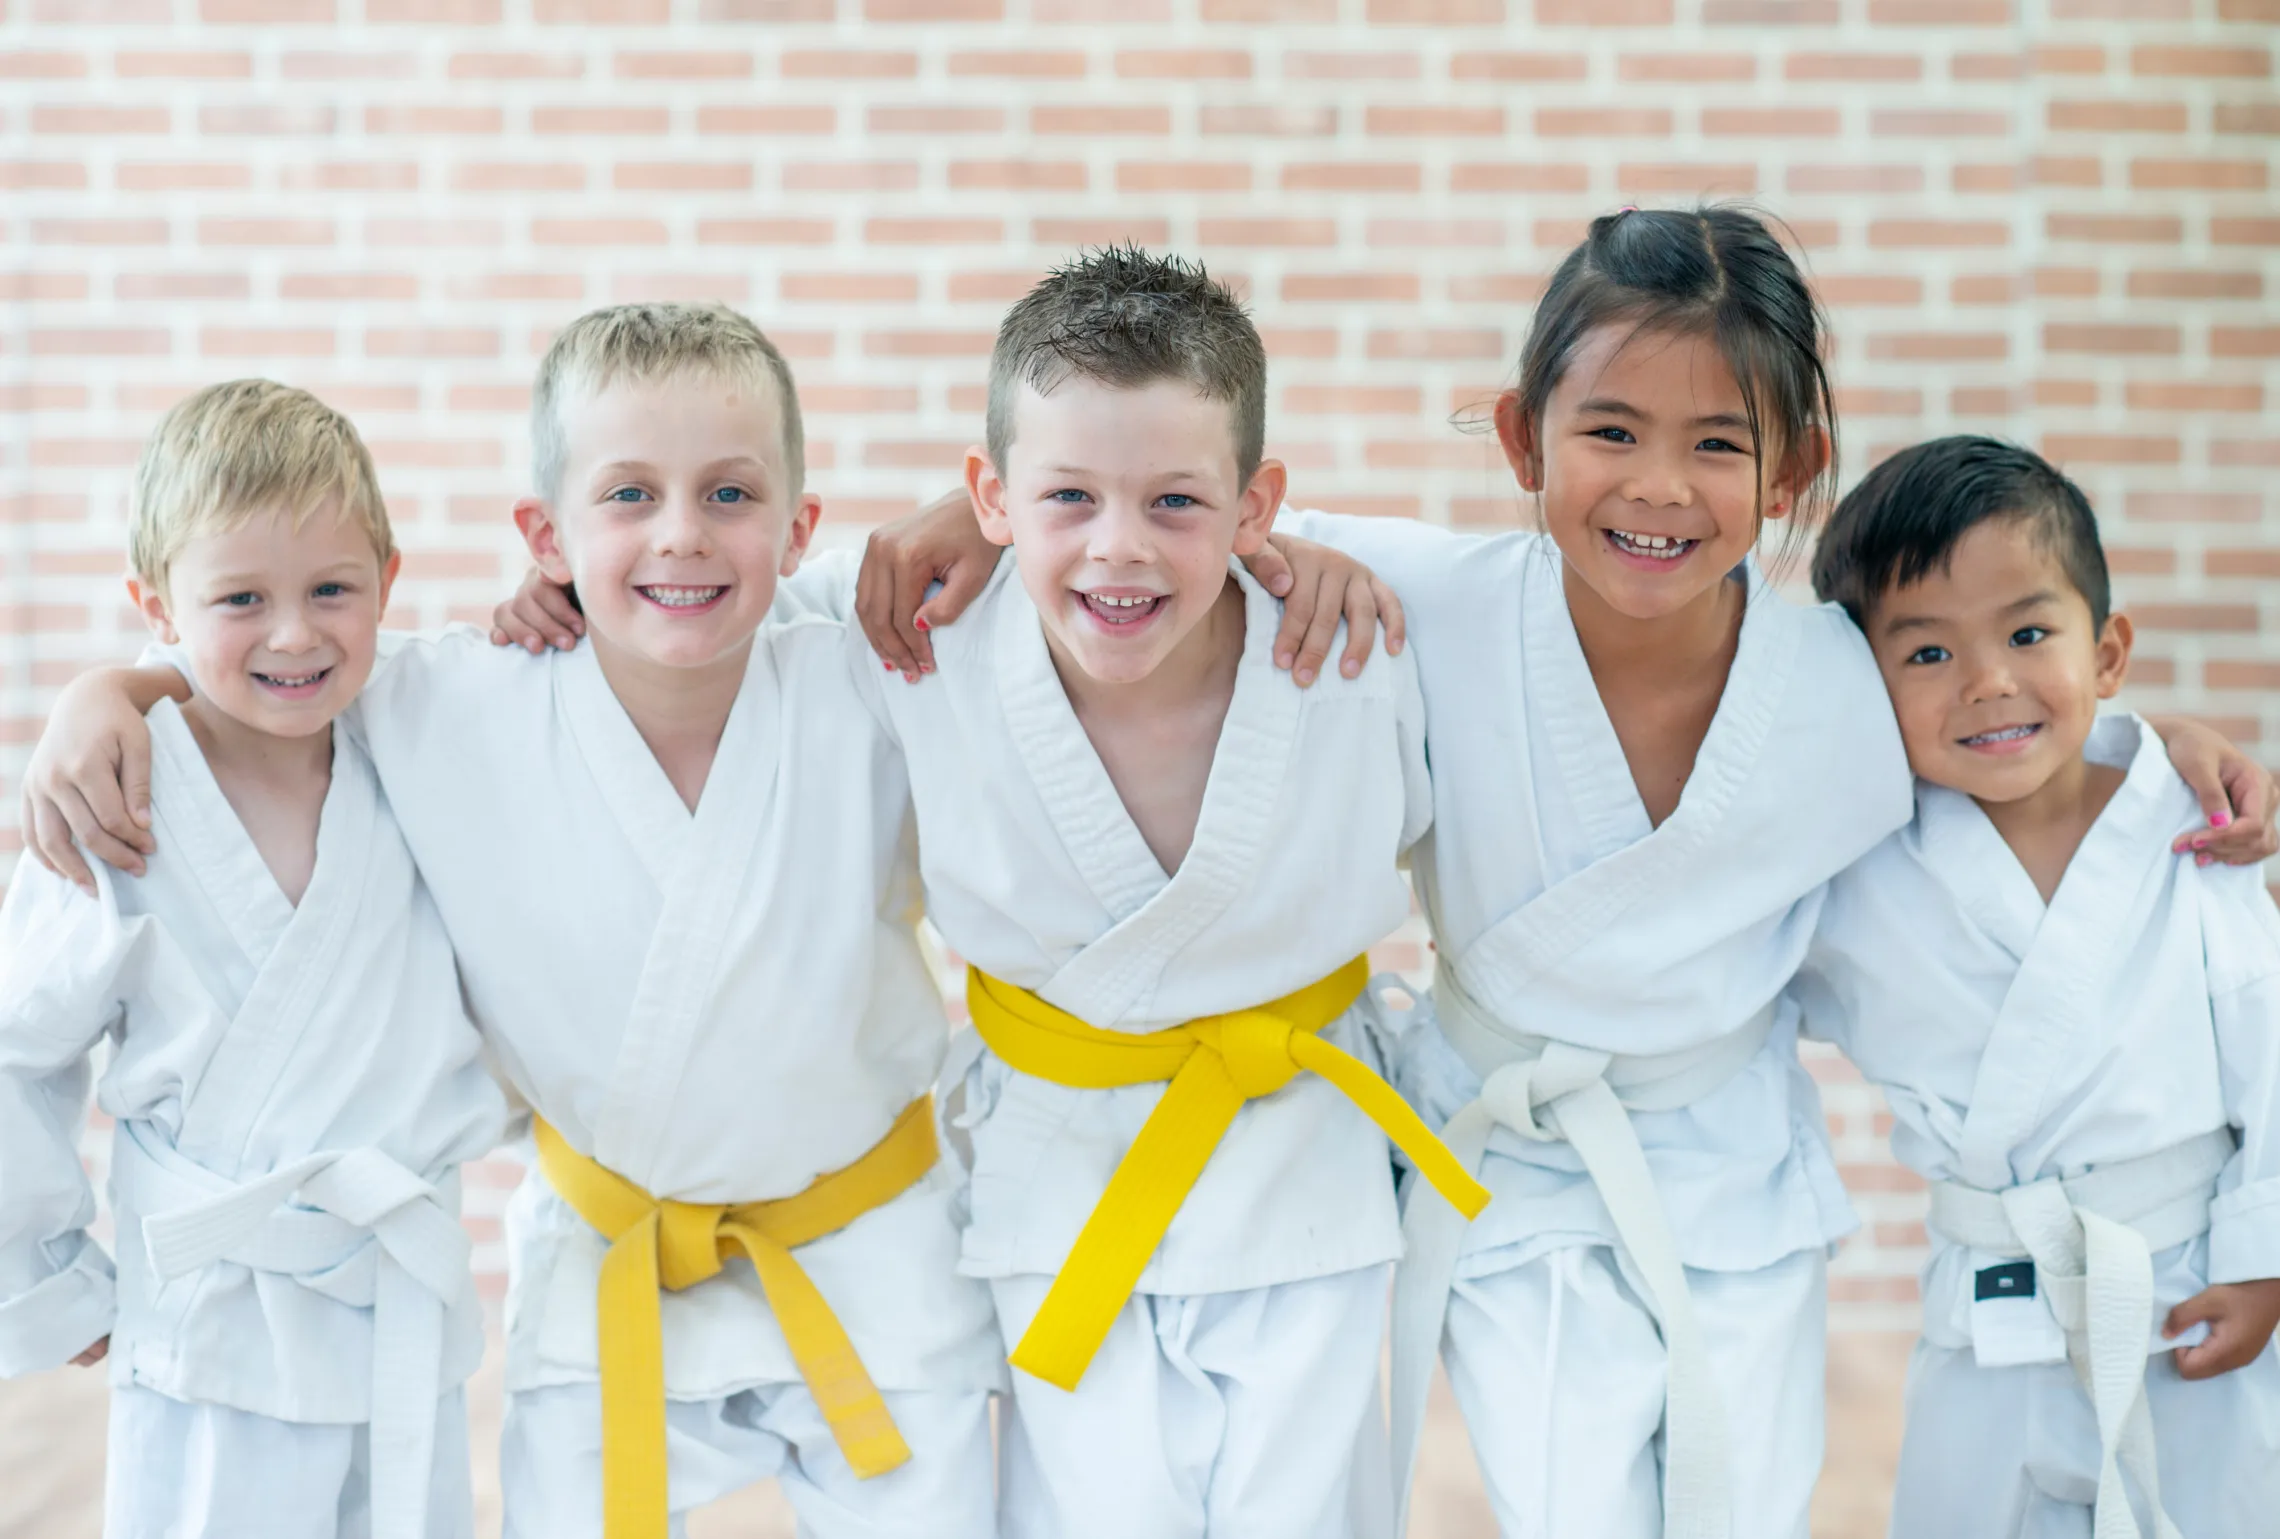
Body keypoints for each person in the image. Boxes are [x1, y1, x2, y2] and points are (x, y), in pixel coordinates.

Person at [831, 207, 2280, 1539]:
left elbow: (1996, 709)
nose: (1661, 486)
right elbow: (1163, 519)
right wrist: (972, 516)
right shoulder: (1421, 601)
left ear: (1793, 470)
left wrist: (2166, 747)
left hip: (1733, 1164)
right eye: (1610, 430)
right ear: (1526, 439)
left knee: (1749, 1502)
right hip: (1510, 1154)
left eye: (1720, 444)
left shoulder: (1839, 687)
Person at [502, 247, 1483, 1539]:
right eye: (1066, 494)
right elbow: (685, 586)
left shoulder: (1357, 640)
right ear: (991, 494)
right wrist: (146, 684)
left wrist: (1280, 544)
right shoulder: (916, 636)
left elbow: (1513, 598)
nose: (1120, 547)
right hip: (1056, 1177)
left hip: (1306, 1170)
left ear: (1260, 508)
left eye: (1178, 503)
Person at [16, 308, 1009, 1539]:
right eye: (629, 493)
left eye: (731, 492)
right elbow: (259, 673)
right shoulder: (455, 705)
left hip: (874, 1249)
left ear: (800, 526)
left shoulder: (877, 663)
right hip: (608, 1261)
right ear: (547, 534)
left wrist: (992, 508)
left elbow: (1093, 560)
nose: (682, 535)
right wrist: (108, 689)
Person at [0, 380, 506, 1539]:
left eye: (332, 589)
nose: (294, 633)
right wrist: (42, 1271)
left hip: (398, 1317)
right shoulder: (117, 798)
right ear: (157, 604)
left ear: (388, 578)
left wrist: (116, 678)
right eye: (240, 598)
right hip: (217, 1327)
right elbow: (17, 1048)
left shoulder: (417, 743)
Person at [1798, 437, 2280, 1539]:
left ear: (2107, 652)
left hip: (2193, 1286)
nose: (1989, 683)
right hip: (1990, 1305)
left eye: (2028, 634)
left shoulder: (2189, 825)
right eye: (1925, 655)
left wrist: (2270, 1262)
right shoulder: (1855, 864)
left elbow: (2274, 1045)